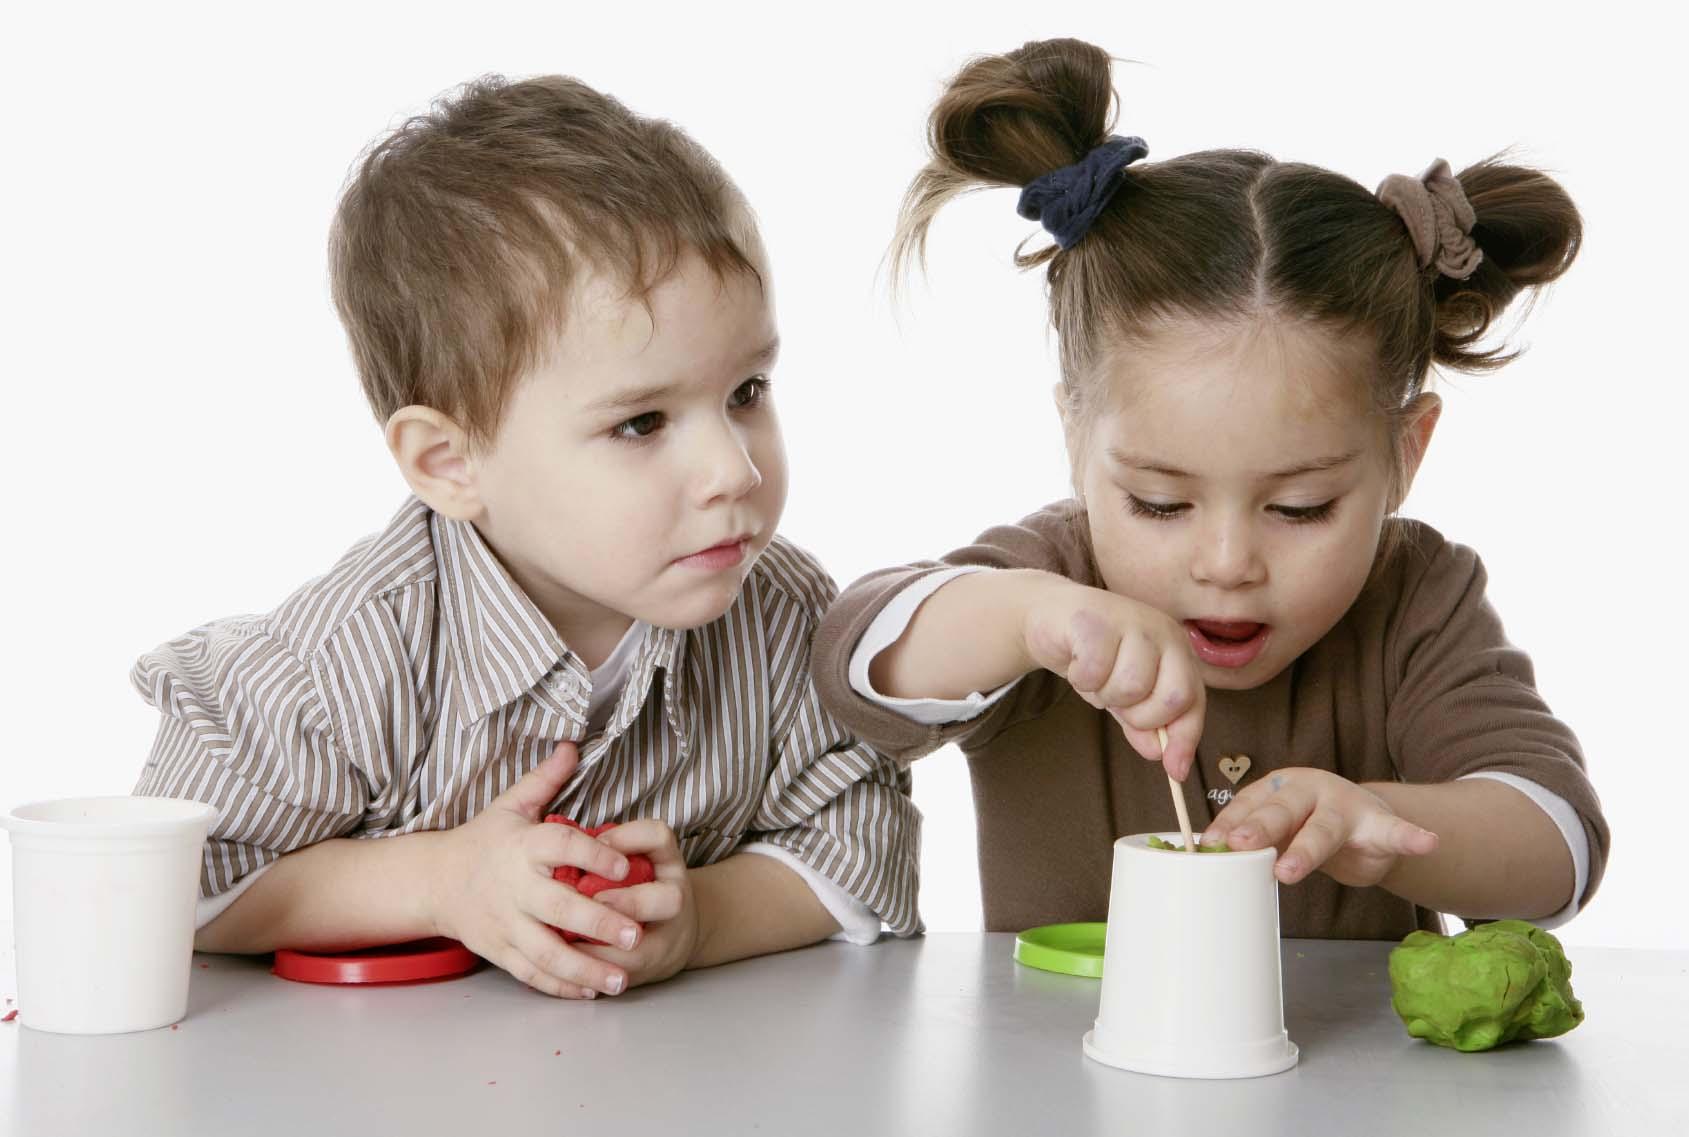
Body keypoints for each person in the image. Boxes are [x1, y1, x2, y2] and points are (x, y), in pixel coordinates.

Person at [131, 74, 920, 999]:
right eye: (642, 423)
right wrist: (440, 881)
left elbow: (862, 844)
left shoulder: (781, 612)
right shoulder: (348, 653)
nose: (735, 472)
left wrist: (702, 918)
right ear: (450, 463)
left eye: (746, 392)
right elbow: (169, 874)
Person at [812, 37, 1606, 939]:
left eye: (1300, 508)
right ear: (1076, 438)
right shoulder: (1051, 583)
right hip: (1048, 1080)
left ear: (1404, 454)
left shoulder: (1415, 598)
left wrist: (1378, 824)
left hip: (1348, 1082)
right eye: (1159, 502)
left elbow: (1561, 849)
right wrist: (1025, 619)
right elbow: (854, 673)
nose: (1226, 563)